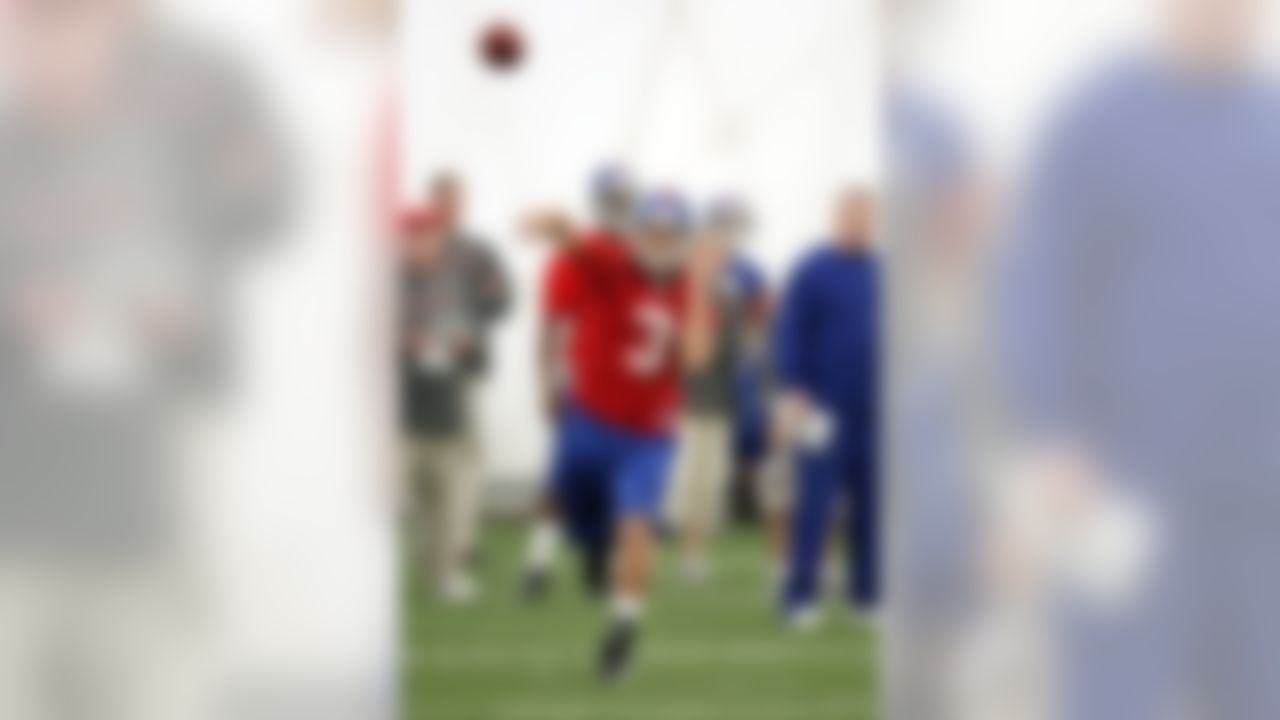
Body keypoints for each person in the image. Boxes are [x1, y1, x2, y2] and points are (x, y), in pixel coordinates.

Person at [524, 188, 722, 680]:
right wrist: (552, 218)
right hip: (588, 420)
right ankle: (575, 555)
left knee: (638, 529)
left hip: (647, 435)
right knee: (571, 512)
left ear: (682, 239)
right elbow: (573, 238)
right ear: (637, 233)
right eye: (651, 231)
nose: (658, 241)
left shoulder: (692, 292)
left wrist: (698, 284)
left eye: (668, 233)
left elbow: (696, 359)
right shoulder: (612, 264)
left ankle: (622, 632)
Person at [521, 164, 637, 602]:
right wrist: (546, 381)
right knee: (561, 478)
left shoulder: (638, 253)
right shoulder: (572, 256)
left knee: (616, 483)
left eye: (623, 199)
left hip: (627, 387)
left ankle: (597, 565)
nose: (618, 207)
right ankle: (538, 562)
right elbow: (552, 324)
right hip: (584, 382)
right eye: (612, 199)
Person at [773, 188, 881, 629]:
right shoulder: (811, 269)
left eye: (866, 215)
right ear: (836, 217)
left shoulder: (885, 269)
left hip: (875, 413)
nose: (858, 222)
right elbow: (789, 332)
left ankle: (868, 594)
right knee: (815, 506)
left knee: (874, 509)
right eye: (850, 214)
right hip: (823, 410)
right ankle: (800, 596)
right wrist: (796, 389)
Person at [666, 196, 769, 584]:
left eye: (716, 254)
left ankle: (697, 555)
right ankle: (675, 549)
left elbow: (736, 350)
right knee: (683, 480)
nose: (711, 259)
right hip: (679, 405)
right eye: (704, 253)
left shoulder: (729, 299)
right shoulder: (675, 294)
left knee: (710, 482)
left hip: (719, 402)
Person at [398, 205, 494, 603]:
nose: (424, 244)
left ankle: (445, 575)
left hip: (446, 409)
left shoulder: (456, 286)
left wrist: (468, 349)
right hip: (398, 415)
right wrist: (403, 346)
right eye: (415, 236)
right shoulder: (381, 285)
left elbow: (477, 351)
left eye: (430, 235)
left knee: (447, 507)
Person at [423, 171, 513, 574]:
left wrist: (468, 321)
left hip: (467, 368)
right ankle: (432, 544)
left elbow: (503, 299)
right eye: (445, 199)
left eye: (458, 199)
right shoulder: (412, 246)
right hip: (421, 375)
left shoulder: (477, 251)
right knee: (427, 463)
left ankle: (462, 541)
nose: (452, 207)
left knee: (469, 455)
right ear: (432, 201)